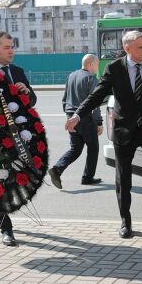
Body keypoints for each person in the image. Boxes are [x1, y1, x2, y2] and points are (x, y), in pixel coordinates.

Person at [65, 31, 142, 238]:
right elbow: (96, 95)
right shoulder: (114, 68)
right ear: (127, 48)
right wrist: (77, 115)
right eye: (140, 47)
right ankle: (125, 221)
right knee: (123, 178)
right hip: (123, 130)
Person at [0, 30, 37, 246]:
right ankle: (6, 228)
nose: (11, 51)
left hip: (17, 138)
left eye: (12, 46)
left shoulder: (17, 71)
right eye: (6, 47)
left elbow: (32, 100)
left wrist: (26, 92)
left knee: (12, 182)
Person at [48, 54, 103, 189]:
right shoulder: (91, 79)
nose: (97, 67)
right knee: (93, 148)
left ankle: (57, 169)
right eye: (96, 64)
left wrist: (68, 117)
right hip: (86, 119)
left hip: (72, 118)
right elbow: (94, 103)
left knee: (75, 149)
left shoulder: (71, 76)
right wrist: (99, 122)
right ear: (91, 64)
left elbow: (65, 98)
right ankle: (87, 177)